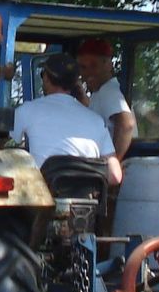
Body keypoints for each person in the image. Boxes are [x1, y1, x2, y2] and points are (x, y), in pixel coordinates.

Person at [13, 52, 122, 184]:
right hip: (87, 201)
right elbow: (115, 176)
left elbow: (4, 144)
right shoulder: (96, 120)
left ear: (46, 79)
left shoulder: (27, 110)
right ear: (75, 83)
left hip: (43, 198)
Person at [74, 37, 136, 163]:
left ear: (109, 65)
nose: (88, 72)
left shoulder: (109, 91)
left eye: (94, 65)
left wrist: (112, 165)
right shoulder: (101, 92)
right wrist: (80, 96)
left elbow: (126, 125)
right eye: (83, 67)